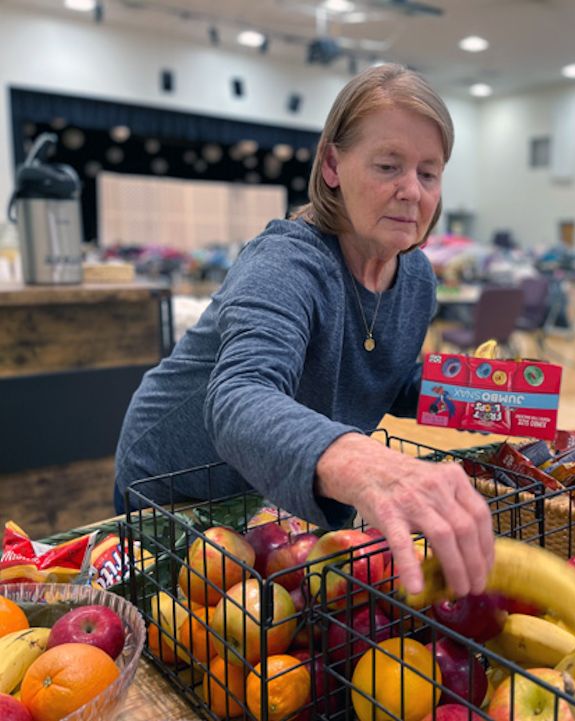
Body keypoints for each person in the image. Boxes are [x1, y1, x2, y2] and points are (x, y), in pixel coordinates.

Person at [114, 64, 493, 597]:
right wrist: (360, 461)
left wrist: (474, 393)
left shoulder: (416, 279)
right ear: (333, 164)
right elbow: (240, 396)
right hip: (183, 487)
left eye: (428, 173)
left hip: (276, 493)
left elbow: (376, 377)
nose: (412, 191)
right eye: (389, 166)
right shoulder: (285, 261)